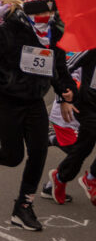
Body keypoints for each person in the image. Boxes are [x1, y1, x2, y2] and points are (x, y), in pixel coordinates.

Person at [0, 0, 74, 230]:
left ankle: (23, 207)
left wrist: (67, 92)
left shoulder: (54, 34)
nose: (43, 17)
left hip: (35, 102)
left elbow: (58, 69)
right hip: (7, 100)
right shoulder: (10, 31)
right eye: (37, 11)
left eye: (48, 11)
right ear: (27, 9)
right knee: (13, 156)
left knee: (39, 153)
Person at [44, 51, 96, 206]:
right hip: (87, 105)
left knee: (81, 146)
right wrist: (63, 97)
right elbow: (64, 68)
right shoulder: (91, 47)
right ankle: (61, 177)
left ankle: (87, 178)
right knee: (84, 145)